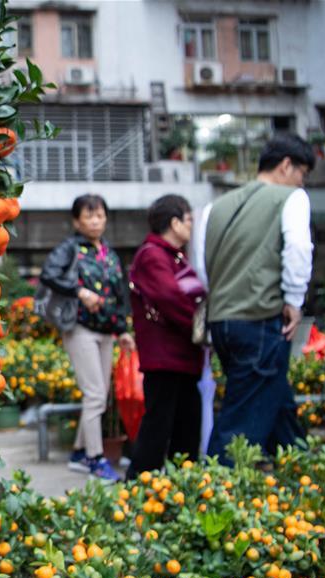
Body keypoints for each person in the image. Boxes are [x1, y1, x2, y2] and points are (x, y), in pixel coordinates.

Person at [196, 134, 315, 464]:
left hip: (221, 321)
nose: (302, 181)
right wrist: (294, 300)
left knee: (272, 396)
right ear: (286, 165)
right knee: (241, 418)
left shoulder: (214, 208)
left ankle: (303, 471)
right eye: (302, 173)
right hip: (260, 317)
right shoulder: (291, 197)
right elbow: (298, 249)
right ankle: (213, 493)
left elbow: (202, 267)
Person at [40, 194, 135, 481]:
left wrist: (122, 331)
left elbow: (119, 296)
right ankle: (95, 459)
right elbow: (48, 274)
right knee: (95, 395)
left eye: (100, 215)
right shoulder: (70, 249)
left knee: (99, 395)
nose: (95, 221)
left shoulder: (109, 253)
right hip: (79, 328)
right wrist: (79, 292)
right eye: (88, 216)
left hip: (106, 331)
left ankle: (81, 452)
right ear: (76, 221)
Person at [126, 195, 205, 479]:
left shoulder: (172, 255)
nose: (191, 226)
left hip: (180, 358)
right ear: (174, 222)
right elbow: (170, 298)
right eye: (188, 220)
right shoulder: (152, 254)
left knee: (185, 427)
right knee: (159, 428)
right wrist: (201, 328)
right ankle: (137, 487)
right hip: (166, 358)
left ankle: (180, 489)